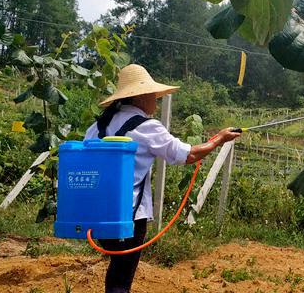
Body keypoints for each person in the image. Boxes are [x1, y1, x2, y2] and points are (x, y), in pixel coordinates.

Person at [84, 64, 240, 293]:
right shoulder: (147, 127)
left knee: (117, 270)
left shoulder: (96, 126)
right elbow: (189, 155)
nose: (156, 101)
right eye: (154, 96)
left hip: (96, 212)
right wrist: (219, 139)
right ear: (140, 97)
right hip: (128, 216)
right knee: (121, 277)